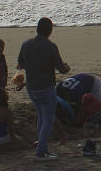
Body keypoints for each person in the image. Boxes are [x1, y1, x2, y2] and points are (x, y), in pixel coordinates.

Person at [16, 18, 69, 160]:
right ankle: (40, 151)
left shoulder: (26, 44)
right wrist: (67, 67)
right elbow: (61, 68)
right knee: (48, 119)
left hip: (32, 87)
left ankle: (43, 149)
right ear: (50, 30)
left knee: (41, 116)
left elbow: (20, 63)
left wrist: (32, 67)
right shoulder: (51, 46)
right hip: (46, 87)